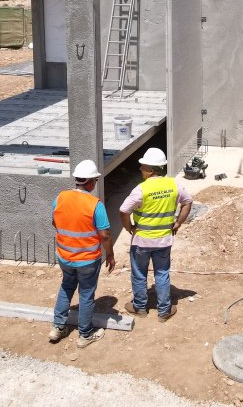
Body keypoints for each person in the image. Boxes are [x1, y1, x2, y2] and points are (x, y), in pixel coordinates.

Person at [119, 148, 192, 322]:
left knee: (139, 274)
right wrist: (178, 223)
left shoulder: (141, 189)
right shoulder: (173, 185)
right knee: (162, 273)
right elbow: (187, 201)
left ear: (151, 170)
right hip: (164, 240)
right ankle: (164, 310)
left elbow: (123, 210)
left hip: (142, 241)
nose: (140, 169)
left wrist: (129, 227)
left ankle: (140, 307)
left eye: (143, 167)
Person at [49, 159, 116, 348]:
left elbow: (54, 222)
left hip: (65, 257)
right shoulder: (95, 204)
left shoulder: (60, 197)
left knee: (66, 287)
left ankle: (58, 327)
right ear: (90, 182)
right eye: (95, 180)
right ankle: (85, 334)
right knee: (86, 294)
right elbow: (104, 235)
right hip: (87, 260)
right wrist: (109, 255)